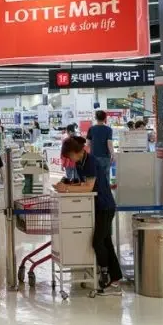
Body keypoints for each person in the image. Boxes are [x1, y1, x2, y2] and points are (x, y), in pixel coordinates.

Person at [60, 136, 122, 295]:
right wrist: (68, 184)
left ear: (76, 152)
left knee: (98, 242)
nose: (69, 159)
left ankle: (106, 275)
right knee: (106, 242)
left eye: (69, 156)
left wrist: (66, 189)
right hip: (98, 206)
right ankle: (115, 279)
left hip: (104, 206)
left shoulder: (90, 162)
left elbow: (88, 187)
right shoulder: (80, 163)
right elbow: (83, 183)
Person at [86, 110, 114, 177]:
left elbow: (88, 143)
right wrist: (113, 154)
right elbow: (109, 143)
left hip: (94, 156)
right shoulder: (109, 129)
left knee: (95, 176)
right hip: (105, 157)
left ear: (96, 118)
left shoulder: (91, 129)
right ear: (105, 118)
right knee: (105, 176)